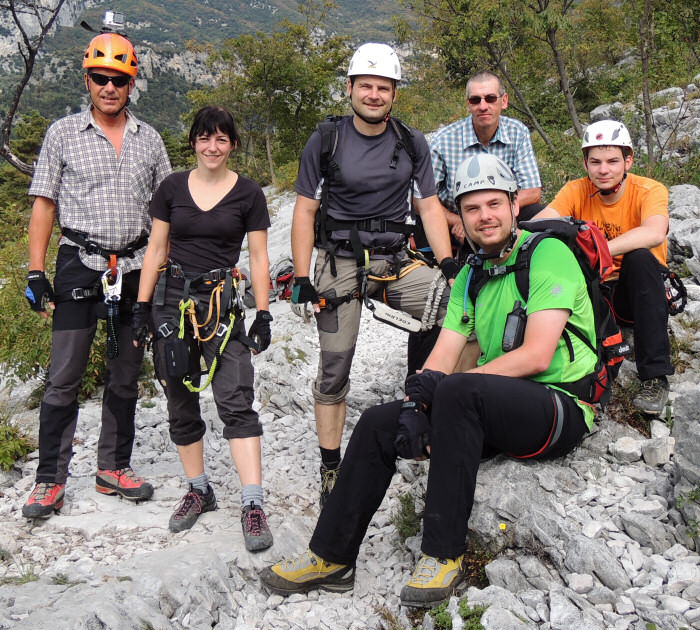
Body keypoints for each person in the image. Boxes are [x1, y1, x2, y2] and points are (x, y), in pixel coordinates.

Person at [261, 154, 597, 607]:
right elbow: (441, 357)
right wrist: (413, 406)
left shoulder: (547, 255)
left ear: (515, 206)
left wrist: (442, 393)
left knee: (458, 388)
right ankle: (331, 556)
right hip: (499, 406)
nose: (485, 217)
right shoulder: (472, 272)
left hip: (561, 407)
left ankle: (443, 555)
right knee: (379, 421)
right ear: (461, 217)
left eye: (494, 204)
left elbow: (536, 355)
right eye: (473, 209)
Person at [289, 42, 457, 507]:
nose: (374, 94)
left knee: (454, 307)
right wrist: (303, 275)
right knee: (335, 365)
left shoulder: (410, 142)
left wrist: (446, 264)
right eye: (366, 85)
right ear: (350, 89)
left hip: (392, 260)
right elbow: (304, 212)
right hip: (339, 259)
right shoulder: (327, 140)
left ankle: (429, 408)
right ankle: (330, 466)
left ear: (394, 94)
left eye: (384, 87)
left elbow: (427, 206)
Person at [22, 32, 172, 519]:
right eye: (100, 78)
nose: (109, 87)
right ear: (86, 80)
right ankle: (50, 479)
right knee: (64, 376)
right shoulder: (62, 134)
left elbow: (166, 210)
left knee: (126, 372)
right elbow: (44, 204)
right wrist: (36, 270)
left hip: (134, 267)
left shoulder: (149, 139)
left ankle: (113, 467)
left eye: (119, 79)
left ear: (131, 83)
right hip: (78, 264)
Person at [133, 106, 274, 550]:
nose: (212, 147)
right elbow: (157, 247)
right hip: (171, 301)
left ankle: (252, 504)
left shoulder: (248, 194)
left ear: (232, 144)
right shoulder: (171, 188)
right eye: (204, 138)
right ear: (193, 141)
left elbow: (257, 257)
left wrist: (264, 313)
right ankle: (199, 490)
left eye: (222, 139)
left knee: (235, 395)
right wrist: (142, 307)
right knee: (180, 396)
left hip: (220, 302)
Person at [407, 70, 544, 369]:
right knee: (445, 292)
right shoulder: (444, 140)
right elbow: (422, 201)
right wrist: (457, 219)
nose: (483, 105)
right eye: (476, 99)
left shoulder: (517, 133)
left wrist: (494, 213)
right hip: (449, 223)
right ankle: (423, 371)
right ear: (467, 104)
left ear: (504, 101)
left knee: (537, 218)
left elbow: (532, 191)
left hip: (497, 219)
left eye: (490, 98)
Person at [536, 119, 672, 415]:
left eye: (612, 161)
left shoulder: (649, 190)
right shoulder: (576, 190)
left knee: (639, 258)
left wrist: (600, 250)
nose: (603, 169)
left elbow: (654, 231)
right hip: (594, 289)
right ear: (585, 163)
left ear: (628, 161)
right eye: (595, 162)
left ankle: (655, 376)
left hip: (634, 291)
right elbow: (541, 222)